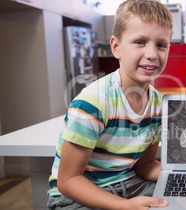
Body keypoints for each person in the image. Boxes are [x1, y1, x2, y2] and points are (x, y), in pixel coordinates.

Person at [47, 0, 172, 209]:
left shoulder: (159, 104)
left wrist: (183, 173)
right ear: (116, 47)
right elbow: (68, 181)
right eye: (140, 42)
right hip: (76, 194)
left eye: (161, 45)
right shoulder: (94, 101)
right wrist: (123, 205)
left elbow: (145, 165)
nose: (152, 54)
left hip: (130, 184)